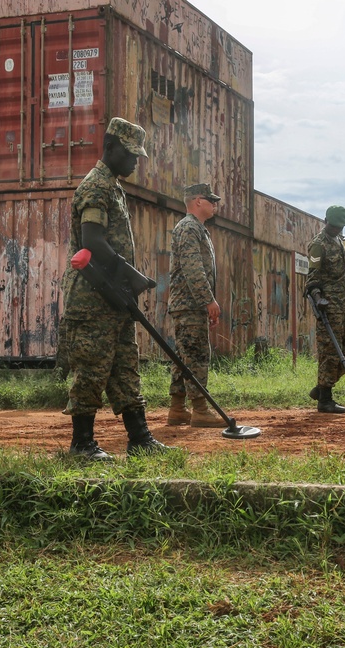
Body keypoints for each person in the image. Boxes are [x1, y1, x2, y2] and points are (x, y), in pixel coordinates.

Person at [60, 117, 171, 460]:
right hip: (94, 299)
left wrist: (126, 286)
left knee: (125, 365)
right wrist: (131, 277)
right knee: (92, 369)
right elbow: (92, 242)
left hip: (114, 298)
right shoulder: (96, 187)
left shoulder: (113, 186)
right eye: (130, 154)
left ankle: (140, 438)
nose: (135, 162)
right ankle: (82, 444)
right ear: (110, 148)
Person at [166, 183, 223, 428]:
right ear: (198, 201)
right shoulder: (189, 227)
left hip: (189, 304)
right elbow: (193, 268)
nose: (215, 204)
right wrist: (207, 300)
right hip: (189, 304)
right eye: (211, 200)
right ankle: (200, 410)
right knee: (197, 355)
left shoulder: (197, 228)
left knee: (183, 356)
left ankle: (178, 409)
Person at [305, 205, 345, 414]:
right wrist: (318, 299)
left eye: (340, 227)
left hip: (342, 306)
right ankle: (325, 399)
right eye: (334, 226)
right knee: (330, 353)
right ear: (326, 222)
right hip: (328, 307)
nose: (337, 230)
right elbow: (312, 279)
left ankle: (321, 388)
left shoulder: (339, 241)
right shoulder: (318, 245)